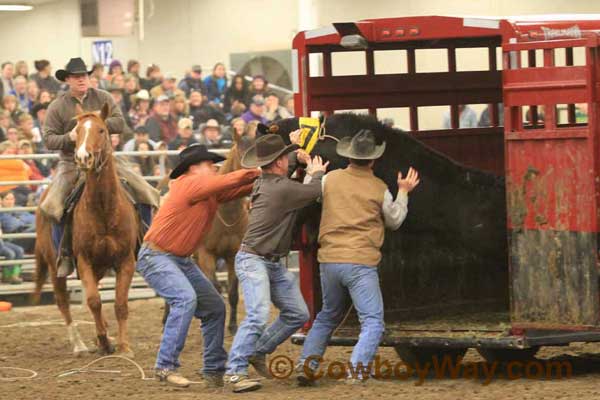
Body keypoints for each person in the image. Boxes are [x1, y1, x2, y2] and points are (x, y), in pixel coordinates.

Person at [294, 130, 420, 385]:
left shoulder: (330, 179)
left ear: (348, 156)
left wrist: (311, 171)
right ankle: (357, 372)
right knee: (372, 321)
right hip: (361, 261)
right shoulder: (379, 188)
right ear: (373, 160)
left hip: (329, 260)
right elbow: (394, 221)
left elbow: (310, 194)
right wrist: (404, 192)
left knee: (327, 315)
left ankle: (306, 366)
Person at [136, 144, 260, 388]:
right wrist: (260, 170)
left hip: (177, 259)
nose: (214, 166)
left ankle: (214, 370)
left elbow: (242, 187)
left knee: (214, 307)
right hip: (157, 256)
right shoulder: (189, 183)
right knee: (185, 299)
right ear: (194, 168)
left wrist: (274, 176)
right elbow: (234, 179)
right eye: (208, 163)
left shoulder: (204, 190)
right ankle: (165, 366)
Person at [40, 57, 160, 277]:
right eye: (76, 77)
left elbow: (120, 123)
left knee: (147, 192)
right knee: (52, 205)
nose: (81, 80)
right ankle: (64, 254)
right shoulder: (57, 106)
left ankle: (146, 246)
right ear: (67, 80)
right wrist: (70, 136)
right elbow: (48, 139)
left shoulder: (103, 97)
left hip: (106, 160)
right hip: (72, 162)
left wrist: (95, 123)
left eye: (84, 76)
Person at [225, 134, 326, 392]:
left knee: (297, 314)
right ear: (279, 162)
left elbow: (286, 172)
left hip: (259, 258)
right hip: (258, 260)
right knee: (259, 315)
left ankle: (256, 351)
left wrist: (295, 155)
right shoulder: (282, 188)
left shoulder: (267, 182)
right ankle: (234, 372)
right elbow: (315, 190)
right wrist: (315, 171)